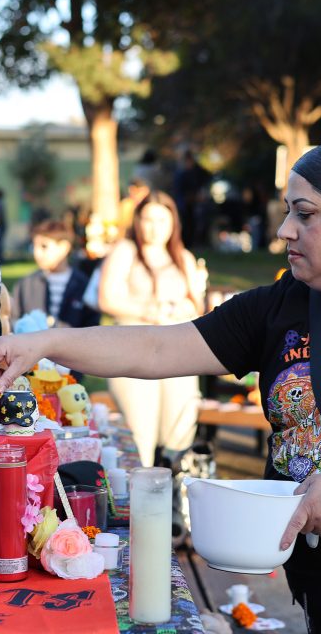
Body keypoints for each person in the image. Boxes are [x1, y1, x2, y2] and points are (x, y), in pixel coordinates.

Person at [0, 138, 321, 633]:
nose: (285, 230)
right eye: (288, 211)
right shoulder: (282, 304)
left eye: (305, 215)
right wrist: (45, 342)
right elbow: (158, 348)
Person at [97, 191, 208, 468]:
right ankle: (135, 506)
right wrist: (149, 309)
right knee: (140, 436)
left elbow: (197, 307)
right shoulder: (126, 251)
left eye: (162, 219)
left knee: (179, 434)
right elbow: (107, 298)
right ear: (137, 221)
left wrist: (186, 303)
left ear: (173, 223)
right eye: (147, 219)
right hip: (134, 349)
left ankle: (175, 502)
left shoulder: (183, 257)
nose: (154, 227)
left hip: (178, 353)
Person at [10, 220, 100, 329]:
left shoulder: (83, 285)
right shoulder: (26, 284)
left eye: (44, 246)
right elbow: (12, 319)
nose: (36, 253)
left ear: (64, 248)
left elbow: (92, 328)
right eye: (34, 246)